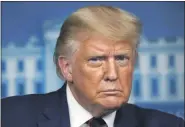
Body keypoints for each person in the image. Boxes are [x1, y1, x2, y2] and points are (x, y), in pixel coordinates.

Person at [1, 5, 184, 127]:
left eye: (121, 58)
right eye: (96, 60)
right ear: (67, 68)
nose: (112, 74)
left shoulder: (169, 125)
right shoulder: (9, 117)